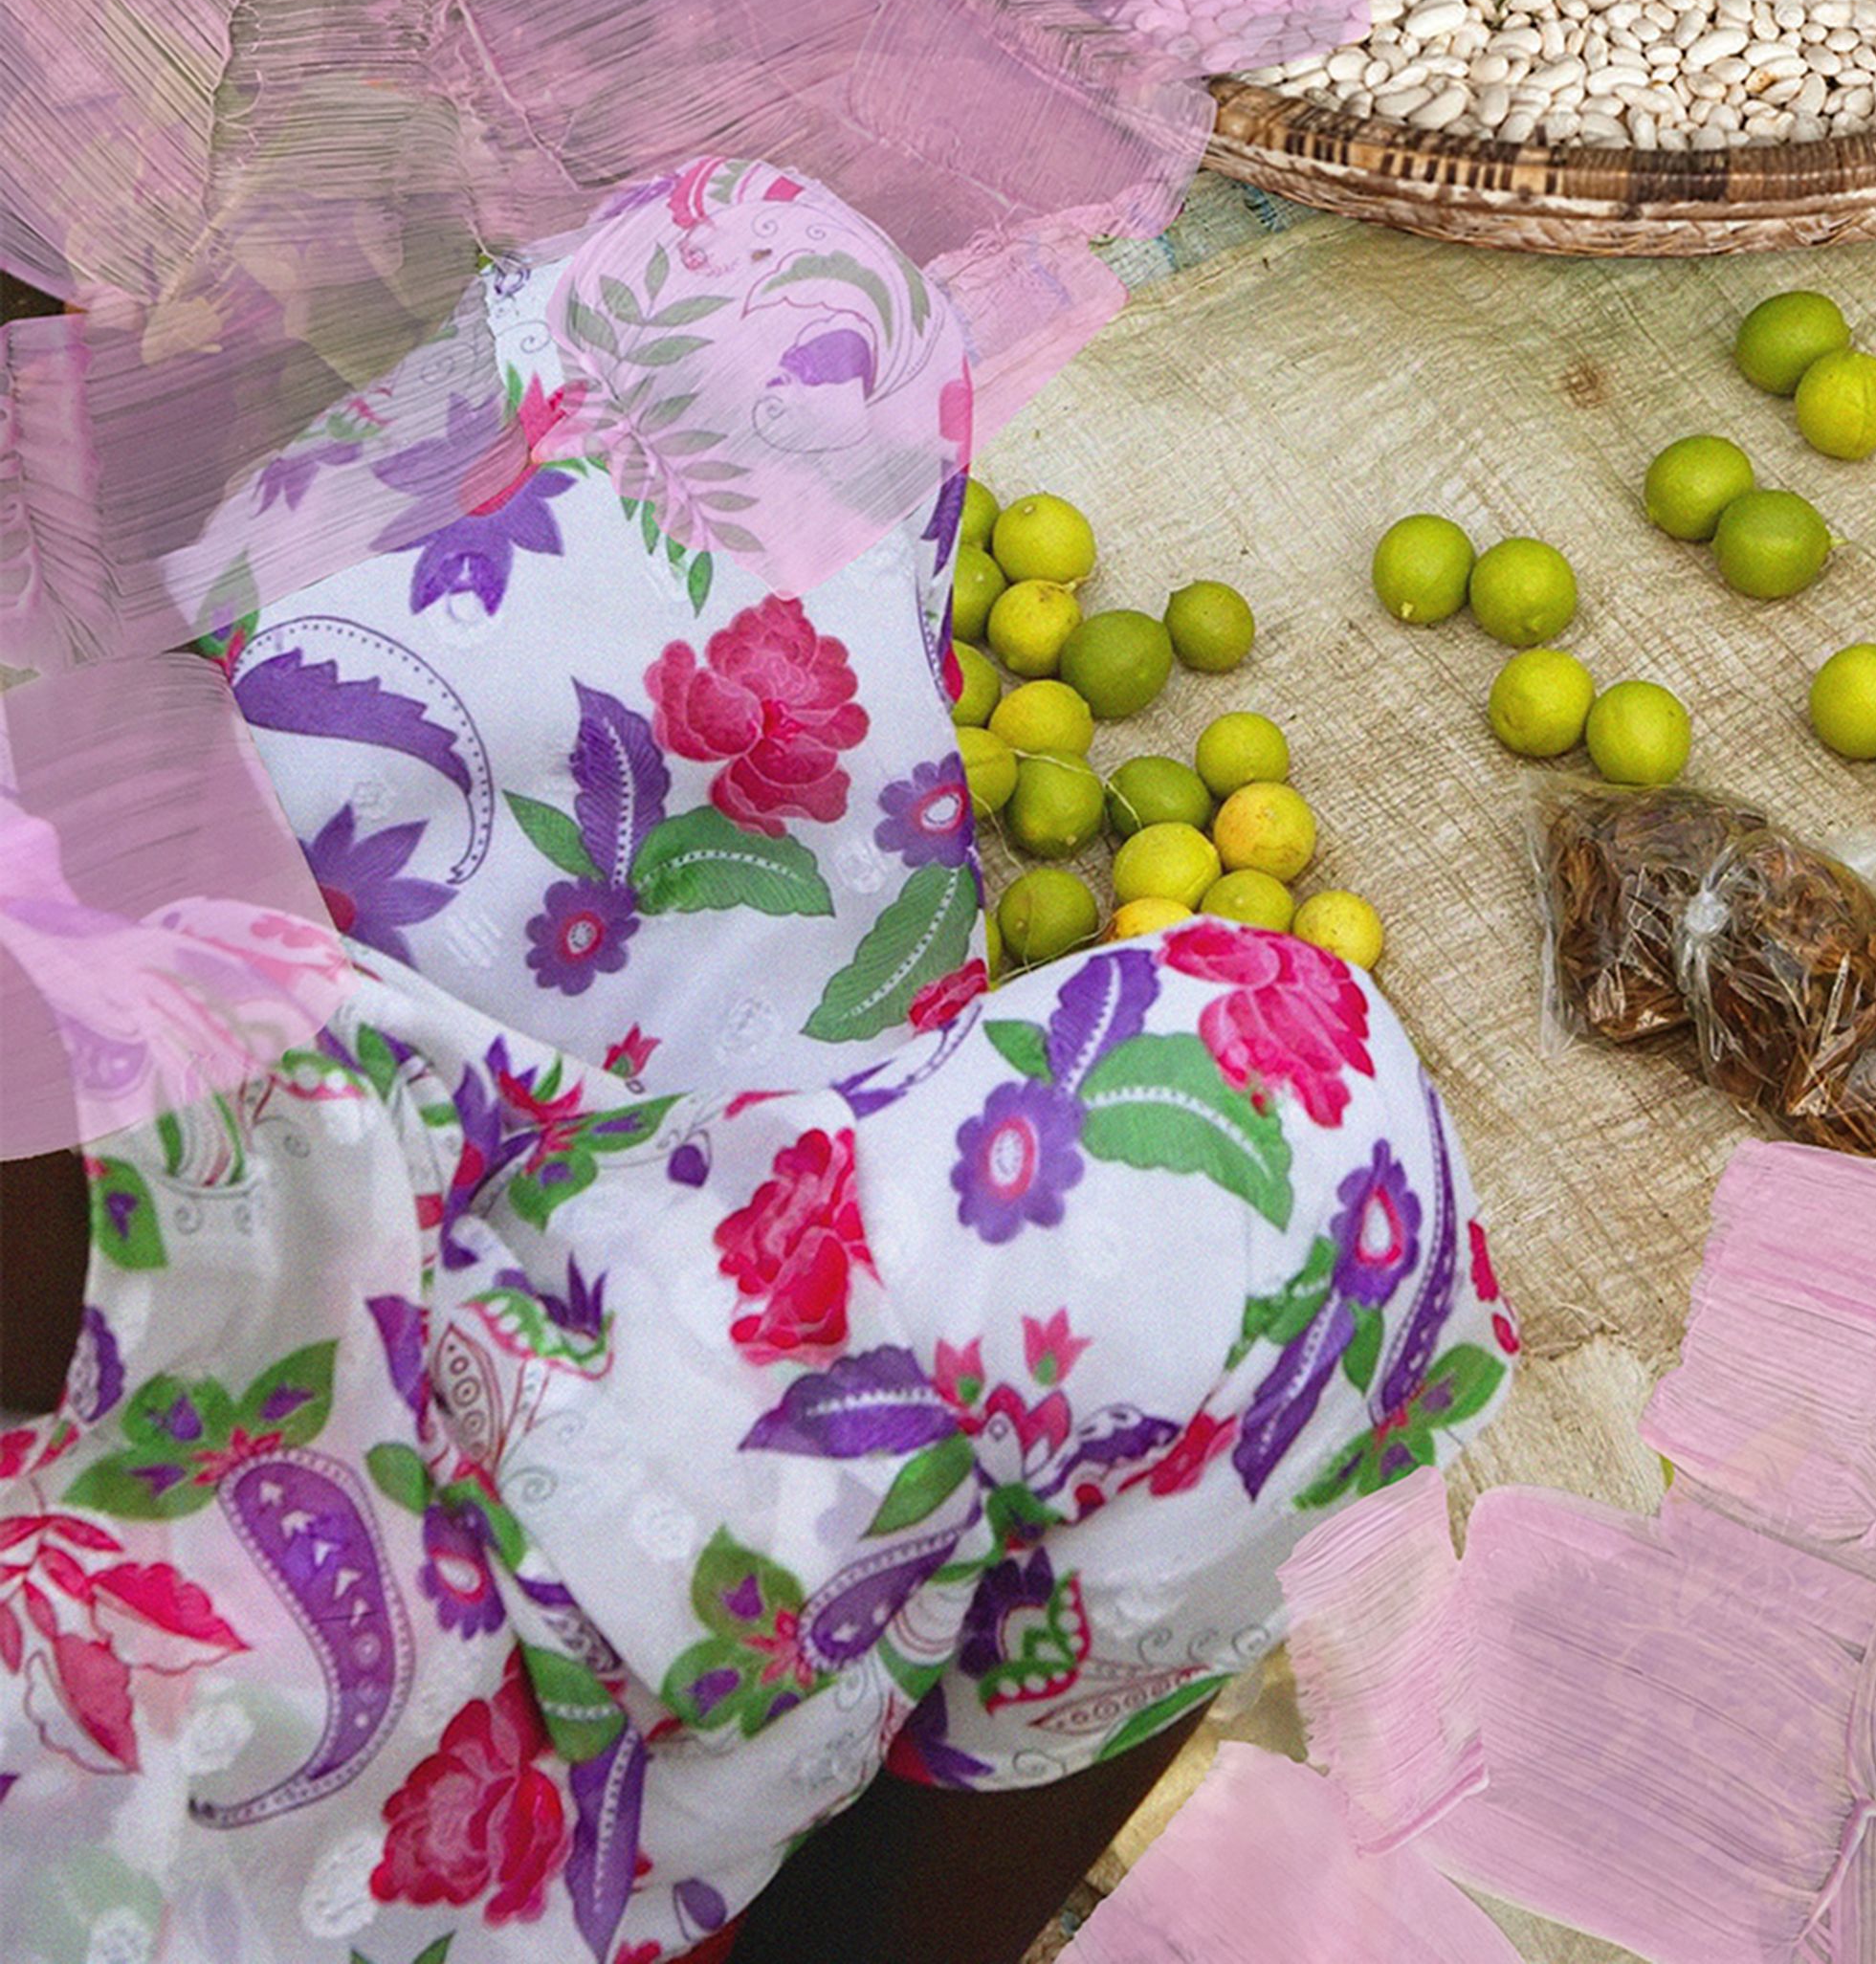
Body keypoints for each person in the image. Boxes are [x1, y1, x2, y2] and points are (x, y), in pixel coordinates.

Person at [0, 163, 1517, 1964]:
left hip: (231, 1137)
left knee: (747, 295)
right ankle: (772, 1651)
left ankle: (764, 1155)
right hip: (255, 1612)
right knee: (1291, 1140)